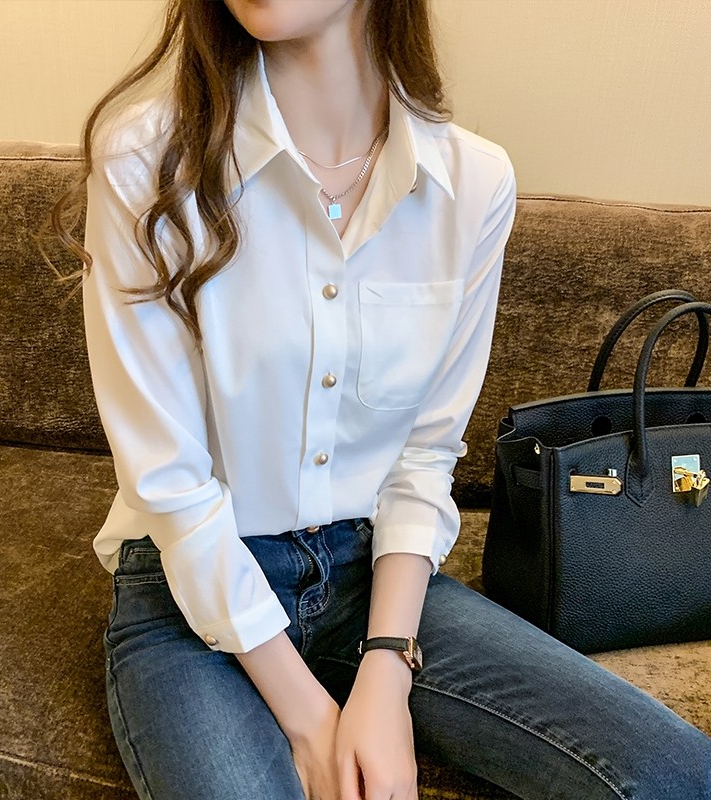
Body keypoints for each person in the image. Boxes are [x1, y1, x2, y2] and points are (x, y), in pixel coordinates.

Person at [45, 1, 711, 798]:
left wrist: (388, 668)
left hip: (373, 574)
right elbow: (171, 486)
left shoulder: (472, 184)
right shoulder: (143, 163)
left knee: (675, 773)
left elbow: (425, 453)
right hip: (189, 596)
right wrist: (311, 721)